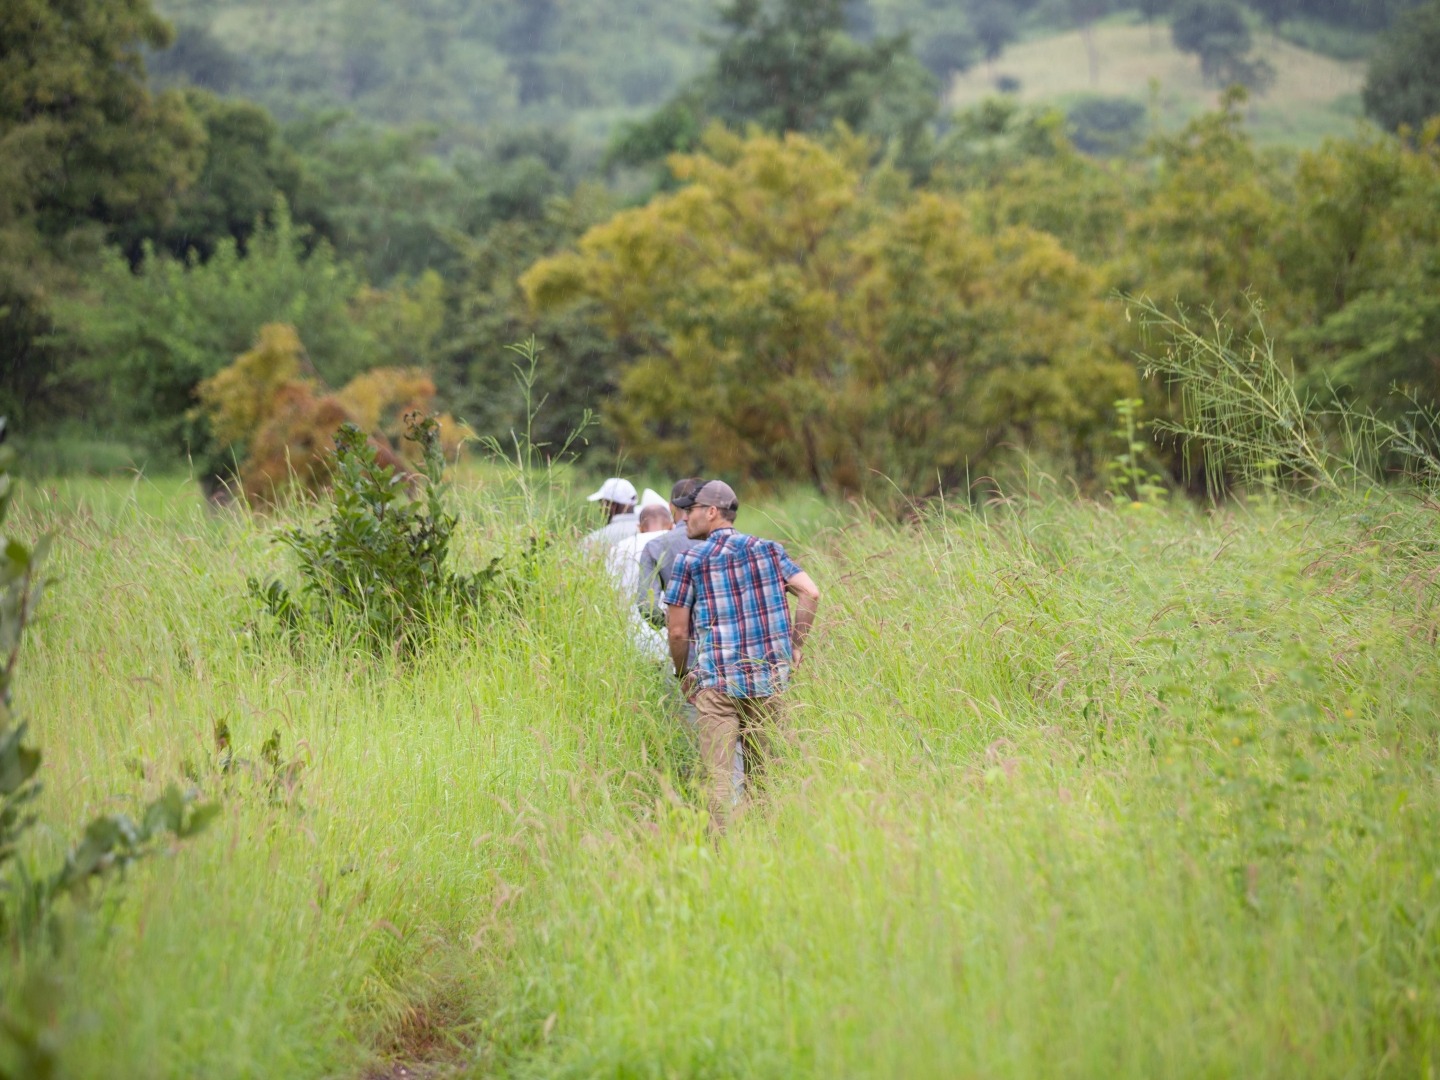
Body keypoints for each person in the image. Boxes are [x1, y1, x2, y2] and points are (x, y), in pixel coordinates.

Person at [664, 480, 821, 831]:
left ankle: (723, 857)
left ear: (711, 512)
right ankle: (765, 846)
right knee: (763, 776)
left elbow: (677, 631)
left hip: (716, 686)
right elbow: (811, 593)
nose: (684, 516)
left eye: (690, 510)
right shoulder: (769, 550)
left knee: (718, 779)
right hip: (768, 681)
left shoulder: (691, 559)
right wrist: (795, 647)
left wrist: (682, 673)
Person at [636, 477, 705, 627]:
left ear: (671, 507)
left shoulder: (655, 546)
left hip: (686, 644)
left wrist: (671, 625)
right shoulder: (734, 541)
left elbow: (646, 605)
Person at [582, 477, 638, 548]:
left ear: (612, 506)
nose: (600, 509)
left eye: (601, 503)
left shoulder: (594, 539)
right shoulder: (651, 531)